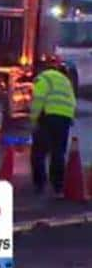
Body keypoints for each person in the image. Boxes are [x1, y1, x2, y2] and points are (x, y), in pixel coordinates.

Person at [30, 61, 77, 197]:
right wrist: (70, 117)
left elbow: (38, 99)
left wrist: (33, 119)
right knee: (58, 153)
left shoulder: (43, 78)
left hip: (48, 117)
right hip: (65, 118)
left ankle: (40, 184)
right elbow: (72, 100)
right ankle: (58, 187)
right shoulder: (65, 81)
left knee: (38, 152)